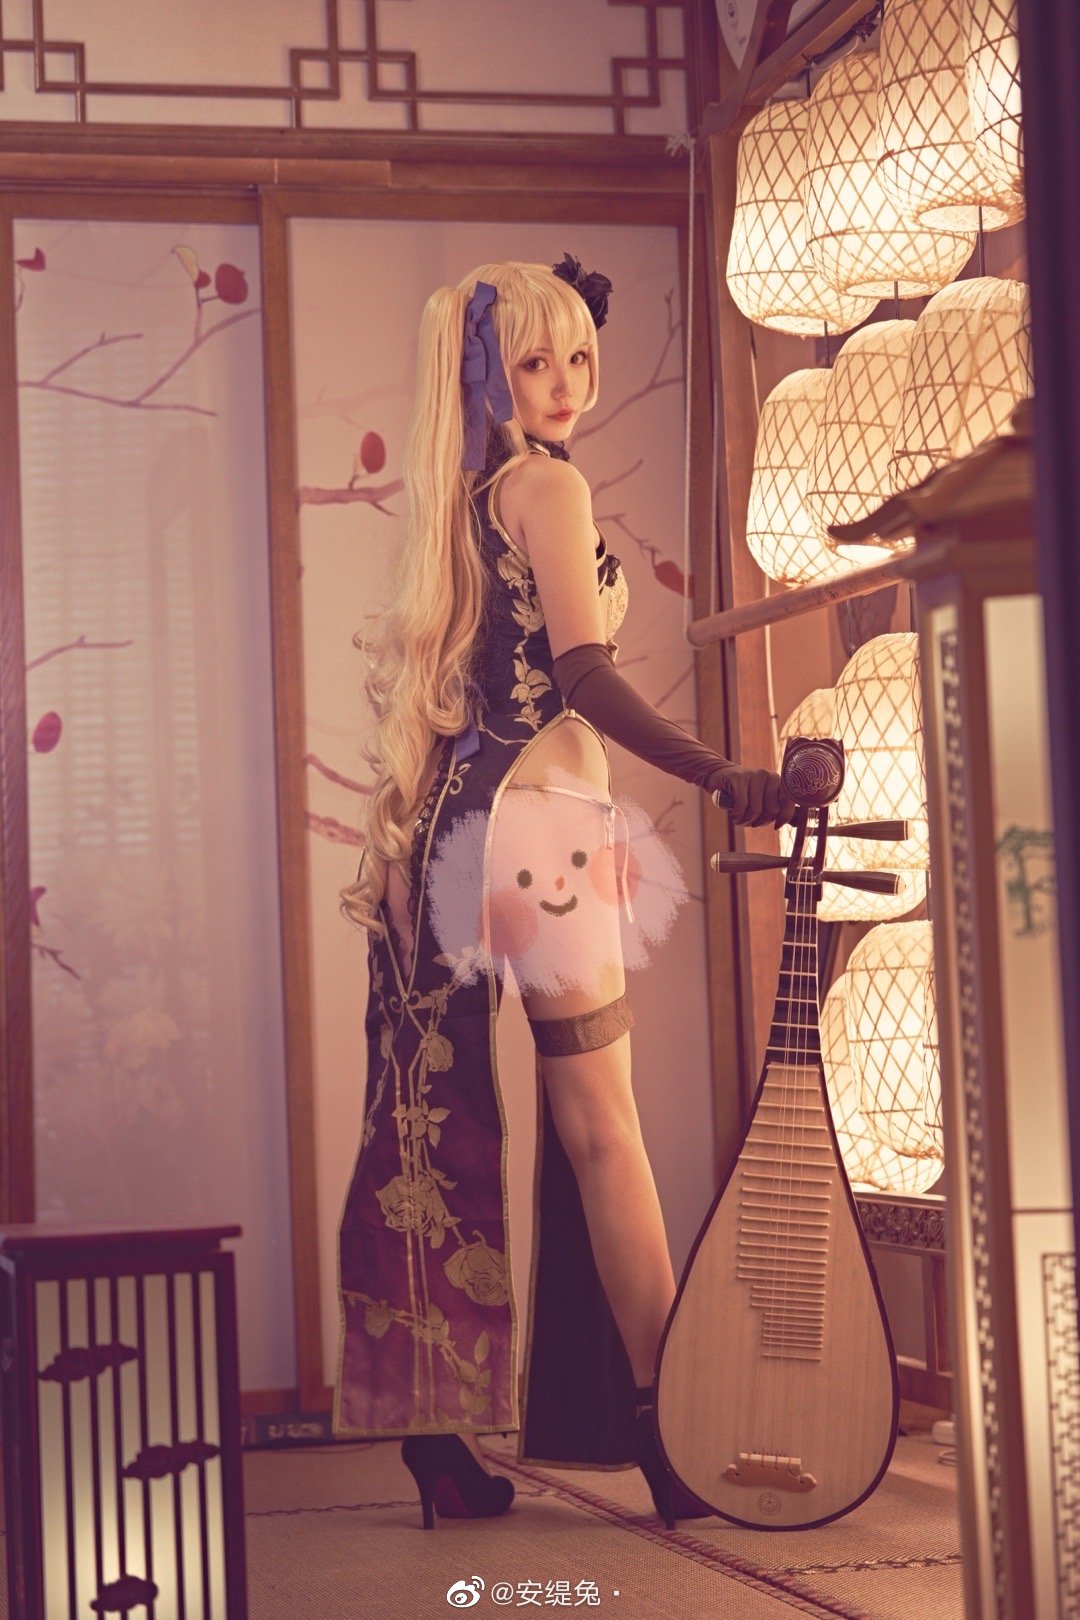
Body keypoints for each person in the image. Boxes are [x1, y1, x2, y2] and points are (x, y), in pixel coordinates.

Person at [335, 256, 793, 1530]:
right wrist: (720, 773)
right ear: (487, 373)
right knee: (603, 1128)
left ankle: (437, 1435)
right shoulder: (548, 485)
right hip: (543, 824)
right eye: (535, 361)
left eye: (579, 357)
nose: (568, 385)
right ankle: (665, 1427)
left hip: (454, 827)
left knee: (430, 1124)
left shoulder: (467, 500)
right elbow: (583, 676)